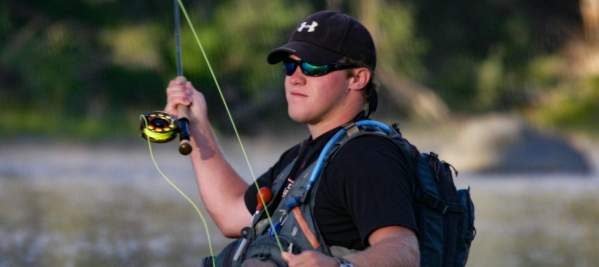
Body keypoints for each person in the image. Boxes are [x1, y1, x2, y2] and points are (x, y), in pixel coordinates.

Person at [165, 10, 420, 267]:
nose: (295, 78)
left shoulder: (366, 155)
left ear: (356, 78)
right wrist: (197, 125)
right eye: (290, 65)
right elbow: (231, 214)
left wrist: (337, 266)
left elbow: (404, 250)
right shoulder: (302, 157)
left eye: (313, 66)